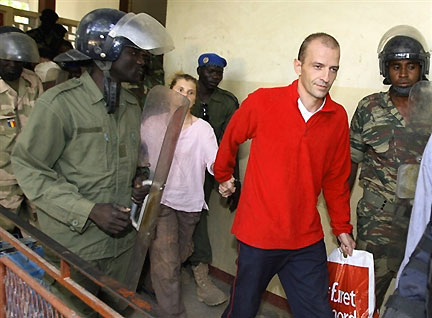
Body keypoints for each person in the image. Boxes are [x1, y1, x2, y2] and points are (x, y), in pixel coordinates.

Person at [11, 8, 173, 316]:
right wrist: (89, 210)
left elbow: (128, 161)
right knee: (72, 310)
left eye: (143, 54)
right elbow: (30, 170)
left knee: (116, 310)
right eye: (133, 52)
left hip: (122, 244)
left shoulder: (129, 105)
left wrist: (137, 182)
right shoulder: (59, 105)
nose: (142, 60)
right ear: (104, 52)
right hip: (76, 246)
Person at [215, 33, 355, 318]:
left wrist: (341, 227)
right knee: (242, 311)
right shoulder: (264, 102)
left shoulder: (337, 117)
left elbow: (336, 177)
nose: (326, 76)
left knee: (318, 312)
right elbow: (231, 137)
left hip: (305, 238)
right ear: (298, 66)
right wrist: (223, 174)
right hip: (258, 236)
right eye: (317, 66)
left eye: (333, 69)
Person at [348, 25, 430, 310]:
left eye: (411, 66)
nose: (404, 74)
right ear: (386, 69)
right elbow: (350, 163)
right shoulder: (369, 108)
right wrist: (341, 220)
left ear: (423, 67)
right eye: (396, 66)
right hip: (377, 222)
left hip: (422, 222)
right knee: (365, 296)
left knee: (417, 297)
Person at [145, 73, 218, 318]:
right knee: (167, 263)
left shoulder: (202, 129)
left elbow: (215, 163)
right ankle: (173, 313)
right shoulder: (152, 124)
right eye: (179, 90)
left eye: (190, 92)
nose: (184, 96)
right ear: (169, 93)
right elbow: (140, 159)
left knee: (178, 256)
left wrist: (226, 178)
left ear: (195, 99)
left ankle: (151, 283)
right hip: (161, 201)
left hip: (190, 204)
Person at [188, 53, 239, 306]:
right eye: (210, 72)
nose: (215, 76)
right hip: (179, 168)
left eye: (219, 72)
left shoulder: (227, 102)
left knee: (197, 215)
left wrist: (233, 181)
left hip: (209, 171)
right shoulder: (185, 94)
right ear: (199, 71)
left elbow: (233, 143)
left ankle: (200, 275)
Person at [0, 26, 42, 233]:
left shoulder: (32, 81)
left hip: (33, 172)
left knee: (38, 231)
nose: (13, 64)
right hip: (2, 180)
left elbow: (45, 124)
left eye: (18, 58)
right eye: (6, 58)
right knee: (6, 235)